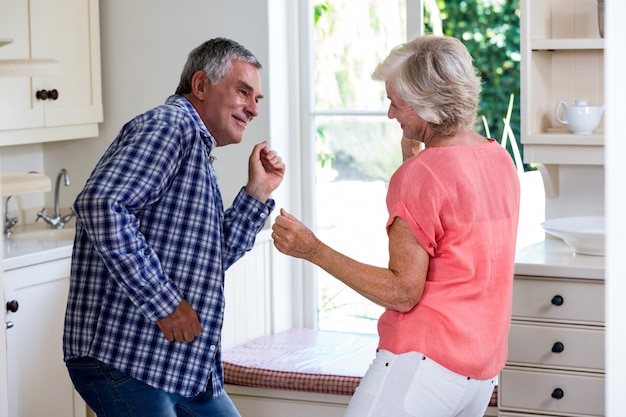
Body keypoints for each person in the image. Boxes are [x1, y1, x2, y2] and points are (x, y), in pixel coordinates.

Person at [272, 34, 520, 417]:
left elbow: (403, 292)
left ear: (429, 106)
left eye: (397, 104)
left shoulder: (420, 176)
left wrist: (313, 250)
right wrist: (412, 163)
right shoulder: (499, 158)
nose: (390, 114)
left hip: (423, 364)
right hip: (480, 372)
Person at [63, 37, 285, 417]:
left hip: (176, 365)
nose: (252, 109)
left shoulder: (195, 145)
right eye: (243, 92)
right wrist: (166, 304)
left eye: (257, 99)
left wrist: (257, 192)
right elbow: (101, 205)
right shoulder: (170, 126)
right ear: (200, 86)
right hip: (126, 360)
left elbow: (211, 257)